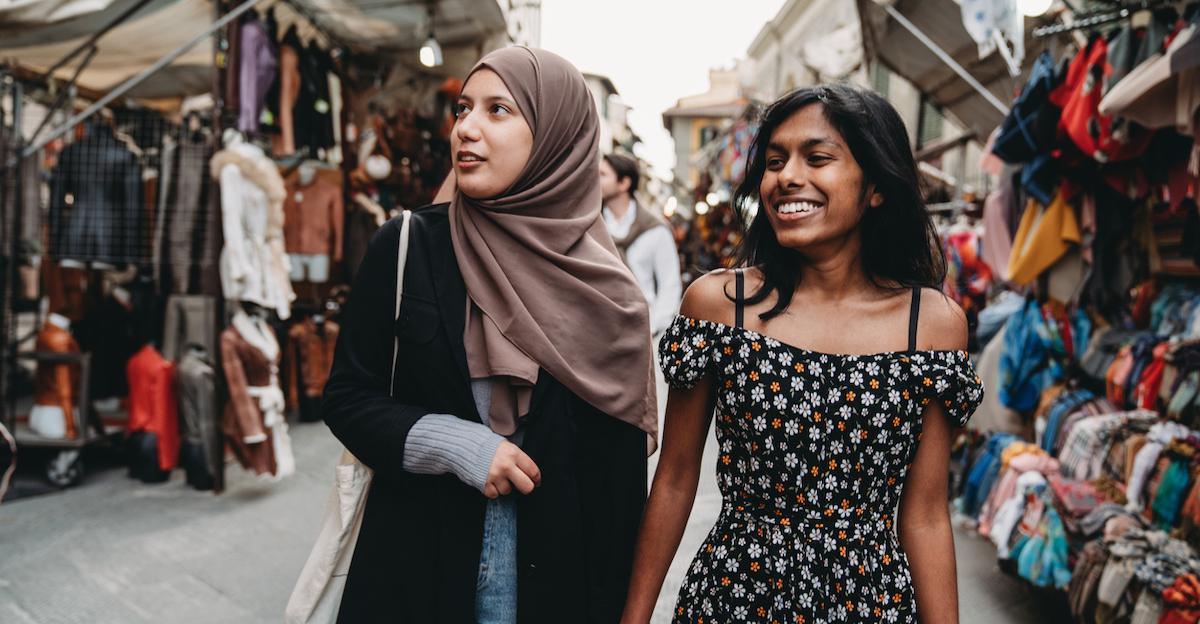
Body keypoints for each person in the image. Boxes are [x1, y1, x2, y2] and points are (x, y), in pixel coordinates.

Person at [621, 84, 984, 623]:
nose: (786, 176)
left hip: (870, 605)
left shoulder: (929, 325)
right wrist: (635, 617)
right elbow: (675, 478)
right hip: (734, 598)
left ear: (877, 188)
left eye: (817, 158)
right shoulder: (719, 306)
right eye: (774, 161)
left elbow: (927, 514)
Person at [322, 46, 657, 623]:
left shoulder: (612, 297)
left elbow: (617, 495)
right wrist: (458, 445)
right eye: (462, 109)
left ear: (557, 137)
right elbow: (349, 396)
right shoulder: (408, 247)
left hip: (559, 588)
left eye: (498, 110)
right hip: (415, 573)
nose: (467, 129)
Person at [600, 153, 683, 339]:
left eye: (603, 175)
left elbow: (670, 285)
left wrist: (652, 326)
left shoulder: (655, 230)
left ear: (624, 183)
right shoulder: (593, 225)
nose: (595, 180)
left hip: (641, 330)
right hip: (598, 330)